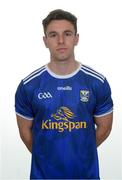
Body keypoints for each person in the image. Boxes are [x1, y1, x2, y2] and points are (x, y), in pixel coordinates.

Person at [15, 9, 113, 179]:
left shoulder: (97, 82)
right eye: (53, 35)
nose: (61, 40)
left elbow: (105, 128)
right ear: (45, 41)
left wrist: (82, 152)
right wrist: (48, 157)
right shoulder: (29, 86)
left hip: (85, 175)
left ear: (76, 38)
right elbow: (25, 133)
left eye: (67, 34)